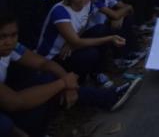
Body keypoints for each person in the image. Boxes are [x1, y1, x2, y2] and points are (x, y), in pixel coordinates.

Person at [0, 12, 140, 137]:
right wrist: (63, 83)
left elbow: (43, 63)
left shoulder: (12, 47)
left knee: (50, 78)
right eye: (3, 36)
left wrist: (69, 84)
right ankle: (108, 98)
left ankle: (108, 98)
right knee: (5, 124)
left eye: (13, 35)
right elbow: (15, 102)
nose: (9, 41)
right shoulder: (59, 12)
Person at [36, 0, 127, 84]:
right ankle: (80, 83)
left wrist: (72, 40)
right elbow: (77, 42)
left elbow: (83, 24)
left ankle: (97, 72)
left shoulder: (88, 5)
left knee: (100, 29)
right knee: (91, 53)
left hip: (70, 47)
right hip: (54, 56)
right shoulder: (60, 11)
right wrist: (110, 38)